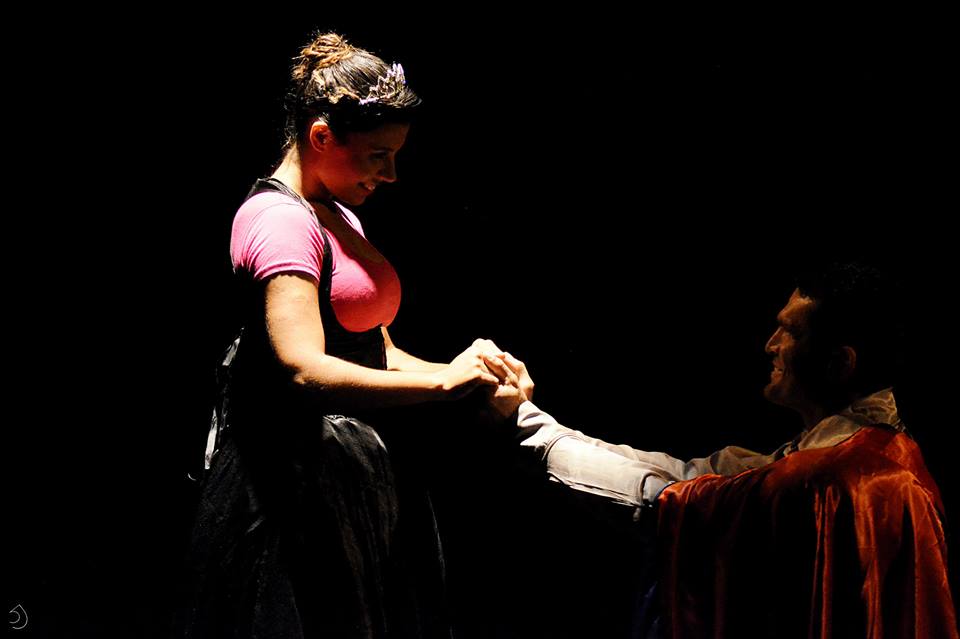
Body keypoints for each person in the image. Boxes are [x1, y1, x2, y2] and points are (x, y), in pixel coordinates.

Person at [174, 32, 516, 639]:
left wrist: (468, 372)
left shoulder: (336, 211)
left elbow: (374, 350)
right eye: (378, 154)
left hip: (351, 475)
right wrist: (443, 386)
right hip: (291, 489)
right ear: (321, 137)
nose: (391, 174)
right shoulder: (279, 220)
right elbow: (303, 368)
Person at [487, 262, 957, 638]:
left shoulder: (835, 477)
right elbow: (694, 476)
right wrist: (538, 421)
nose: (770, 345)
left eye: (790, 332)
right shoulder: (868, 450)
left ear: (839, 363)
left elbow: (669, 502)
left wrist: (523, 423)